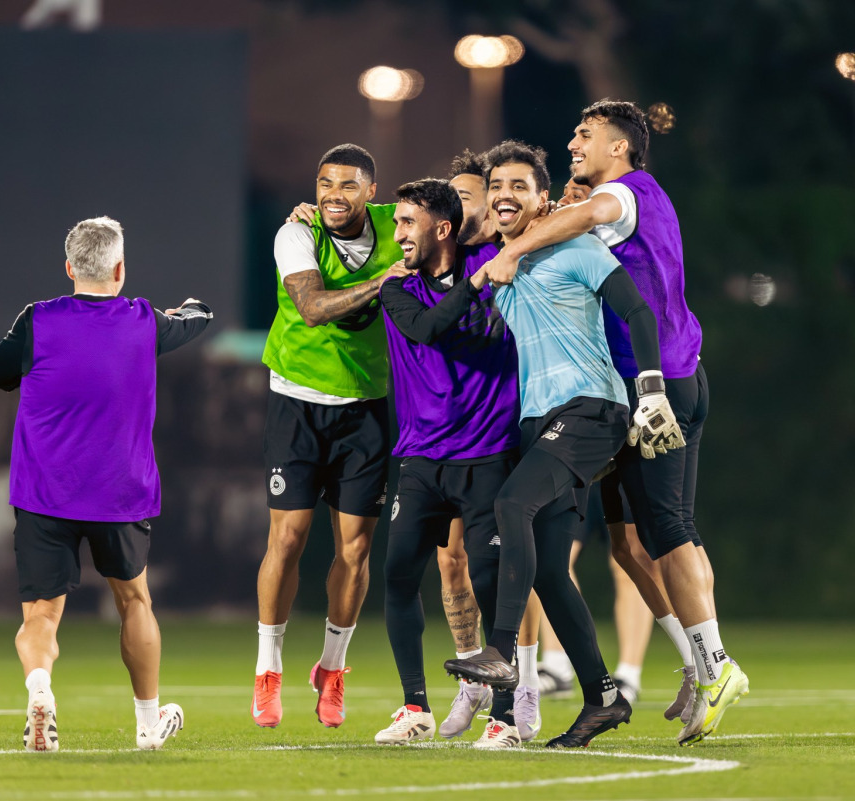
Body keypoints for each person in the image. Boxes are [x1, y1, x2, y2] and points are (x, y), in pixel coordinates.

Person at [482, 99, 747, 746]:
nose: (574, 140)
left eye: (587, 134)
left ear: (621, 148)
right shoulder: (609, 202)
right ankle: (699, 662)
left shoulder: (627, 193)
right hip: (637, 388)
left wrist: (514, 247)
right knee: (628, 544)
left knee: (668, 531)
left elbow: (593, 215)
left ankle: (714, 666)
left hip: (660, 385)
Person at [444, 140, 684, 749]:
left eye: (519, 187)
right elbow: (445, 216)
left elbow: (638, 312)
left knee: (510, 506)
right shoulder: (496, 262)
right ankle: (605, 697)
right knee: (551, 570)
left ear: (543, 198)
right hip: (537, 423)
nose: (504, 196)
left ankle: (500, 651)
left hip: (592, 410)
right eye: (498, 186)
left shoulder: (575, 246)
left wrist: (651, 390)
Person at [0, 216, 211, 752]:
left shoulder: (37, 320)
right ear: (120, 269)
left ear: (69, 268)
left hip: (45, 491)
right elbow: (198, 319)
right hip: (121, 491)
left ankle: (40, 692)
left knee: (41, 614)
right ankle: (148, 725)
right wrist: (189, 307)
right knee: (135, 602)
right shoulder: (145, 321)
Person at [255, 144, 410, 729]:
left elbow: (460, 215)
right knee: (289, 539)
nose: (332, 196)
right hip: (296, 402)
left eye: (347, 185)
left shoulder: (402, 226)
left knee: (356, 549)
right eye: (324, 184)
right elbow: (314, 307)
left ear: (372, 192)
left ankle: (332, 669)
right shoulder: (295, 234)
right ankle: (268, 669)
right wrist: (385, 283)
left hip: (365, 408)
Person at [373, 178, 522, 747]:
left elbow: (519, 225)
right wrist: (480, 279)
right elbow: (429, 330)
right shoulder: (398, 290)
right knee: (397, 576)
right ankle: (415, 707)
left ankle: (505, 717)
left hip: (488, 453)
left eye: (408, 223)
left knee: (490, 580)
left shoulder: (493, 258)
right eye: (396, 223)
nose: (398, 234)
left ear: (442, 228)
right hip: (420, 456)